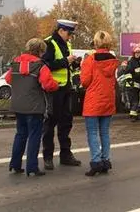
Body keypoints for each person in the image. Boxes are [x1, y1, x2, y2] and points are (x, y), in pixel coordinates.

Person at [5, 38, 59, 177]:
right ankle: (32, 167)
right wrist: (56, 84)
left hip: (18, 105)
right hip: (35, 107)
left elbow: (8, 79)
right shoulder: (40, 66)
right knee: (34, 136)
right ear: (41, 51)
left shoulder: (15, 64)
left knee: (20, 134)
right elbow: (48, 85)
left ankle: (15, 165)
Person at [42, 19, 82, 170]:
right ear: (61, 30)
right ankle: (48, 157)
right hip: (53, 89)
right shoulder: (49, 43)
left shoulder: (67, 44)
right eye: (69, 33)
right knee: (50, 123)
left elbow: (66, 65)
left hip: (66, 88)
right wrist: (66, 61)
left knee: (66, 122)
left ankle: (65, 154)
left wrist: (74, 63)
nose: (70, 37)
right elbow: (46, 65)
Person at [80, 31, 119, 176]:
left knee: (92, 132)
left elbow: (85, 81)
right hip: (108, 100)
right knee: (104, 132)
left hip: (93, 101)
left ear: (96, 43)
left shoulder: (90, 59)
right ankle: (105, 160)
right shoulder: (113, 60)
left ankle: (96, 161)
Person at [124, 46, 140, 122]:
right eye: (136, 53)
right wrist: (130, 81)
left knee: (136, 100)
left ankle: (135, 115)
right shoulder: (132, 61)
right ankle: (133, 116)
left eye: (139, 53)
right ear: (133, 54)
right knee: (134, 101)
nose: (137, 54)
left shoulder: (138, 62)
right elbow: (127, 72)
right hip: (131, 85)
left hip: (136, 85)